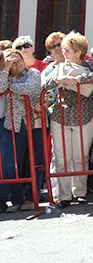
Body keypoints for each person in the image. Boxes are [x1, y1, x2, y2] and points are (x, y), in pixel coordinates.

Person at [45, 32, 93, 207]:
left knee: (80, 156)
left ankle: (79, 192)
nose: (63, 53)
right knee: (62, 157)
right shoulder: (58, 67)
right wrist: (60, 79)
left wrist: (76, 80)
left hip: (84, 115)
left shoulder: (90, 66)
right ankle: (64, 196)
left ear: (79, 51)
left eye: (67, 49)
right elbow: (45, 83)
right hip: (60, 116)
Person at [0, 49, 43, 212]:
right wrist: (5, 70)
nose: (16, 63)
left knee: (34, 163)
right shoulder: (5, 75)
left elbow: (30, 89)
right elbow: (0, 87)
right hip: (12, 125)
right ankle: (17, 200)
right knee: (12, 165)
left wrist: (10, 87)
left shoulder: (33, 73)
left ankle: (32, 198)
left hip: (33, 124)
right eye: (11, 61)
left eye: (18, 60)